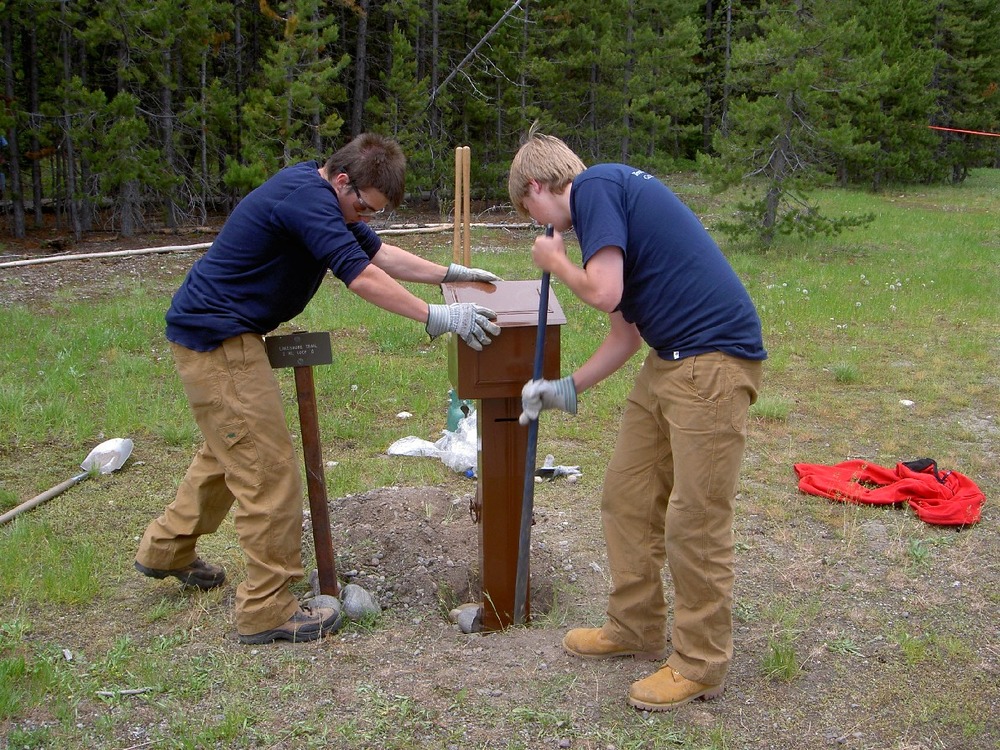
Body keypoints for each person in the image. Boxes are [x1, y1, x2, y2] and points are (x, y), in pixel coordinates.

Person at [135, 133, 502, 645]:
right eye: (364, 207)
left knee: (227, 453)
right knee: (267, 470)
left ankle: (166, 550)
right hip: (218, 339)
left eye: (374, 213)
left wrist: (449, 274)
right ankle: (266, 609)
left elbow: (380, 256)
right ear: (343, 179)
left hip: (222, 334)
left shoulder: (325, 197)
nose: (364, 219)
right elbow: (362, 277)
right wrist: (438, 316)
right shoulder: (308, 201)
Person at [508, 125, 766, 711]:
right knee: (628, 495)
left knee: (695, 520)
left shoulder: (595, 187)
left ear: (540, 185)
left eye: (536, 214)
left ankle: (699, 662)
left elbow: (600, 292)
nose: (546, 229)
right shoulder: (612, 209)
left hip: (713, 362)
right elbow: (624, 333)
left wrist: (556, 260)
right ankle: (636, 627)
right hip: (669, 360)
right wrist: (562, 389)